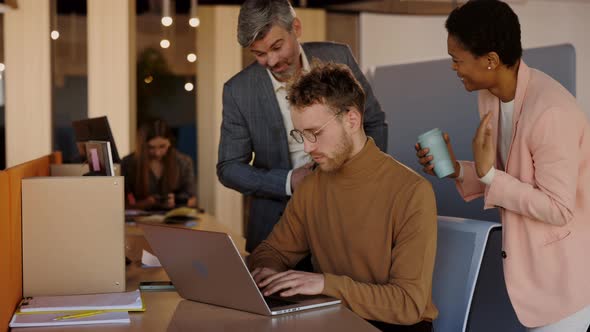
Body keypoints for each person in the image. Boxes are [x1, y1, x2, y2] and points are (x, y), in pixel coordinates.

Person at [415, 1, 590, 330]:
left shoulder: (551, 113)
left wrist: (488, 174)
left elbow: (558, 207)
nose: (454, 68)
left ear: (491, 60)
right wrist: (454, 168)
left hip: (564, 285)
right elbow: (509, 178)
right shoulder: (490, 97)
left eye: (457, 60)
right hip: (533, 280)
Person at [248, 62, 438, 332]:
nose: (307, 147)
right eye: (301, 134)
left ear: (352, 120)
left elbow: (408, 304)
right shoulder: (312, 186)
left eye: (315, 133)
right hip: (334, 319)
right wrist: (267, 271)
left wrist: (326, 284)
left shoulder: (411, 192)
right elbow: (273, 251)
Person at [217, 0, 388, 253]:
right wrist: (288, 181)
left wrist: (361, 176)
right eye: (259, 53)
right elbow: (228, 168)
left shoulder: (339, 57)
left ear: (296, 28)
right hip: (276, 228)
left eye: (277, 46)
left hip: (349, 215)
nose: (271, 61)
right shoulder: (238, 91)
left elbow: (373, 122)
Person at [121, 119, 197, 210]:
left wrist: (177, 201)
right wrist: (145, 203)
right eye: (151, 147)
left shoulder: (184, 162)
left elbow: (193, 200)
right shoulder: (129, 163)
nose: (157, 153)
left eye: (162, 146)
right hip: (140, 219)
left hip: (174, 218)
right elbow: (123, 203)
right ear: (142, 145)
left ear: (170, 143)